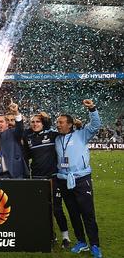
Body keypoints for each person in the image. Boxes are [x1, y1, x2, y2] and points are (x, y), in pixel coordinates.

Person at [55, 99, 102, 258]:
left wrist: (92, 109)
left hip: (81, 179)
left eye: (61, 122)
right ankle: (81, 241)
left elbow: (95, 125)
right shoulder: (56, 138)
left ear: (69, 124)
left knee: (88, 213)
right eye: (57, 122)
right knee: (73, 213)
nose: (58, 125)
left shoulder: (82, 134)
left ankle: (94, 244)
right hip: (63, 180)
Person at [23, 113, 70, 249]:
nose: (35, 124)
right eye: (32, 122)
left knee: (57, 209)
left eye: (38, 121)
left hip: (53, 177)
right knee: (41, 209)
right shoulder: (29, 138)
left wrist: (48, 119)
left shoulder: (52, 135)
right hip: (37, 178)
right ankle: (50, 235)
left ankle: (65, 238)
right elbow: (26, 156)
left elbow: (66, 132)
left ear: (43, 123)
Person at [0, 102, 28, 179]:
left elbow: (20, 128)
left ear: (6, 123)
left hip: (12, 175)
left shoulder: (13, 133)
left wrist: (16, 113)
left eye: (1, 122)